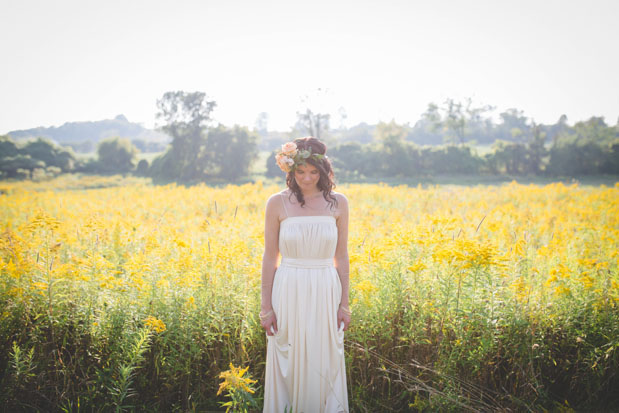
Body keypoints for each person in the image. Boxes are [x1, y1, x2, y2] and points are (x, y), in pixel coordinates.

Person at [260, 136, 351, 412]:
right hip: (288, 286)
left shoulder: (338, 202)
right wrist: (266, 307)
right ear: (291, 171)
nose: (307, 178)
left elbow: (342, 256)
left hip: (326, 285)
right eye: (300, 172)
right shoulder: (277, 203)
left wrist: (344, 303)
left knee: (325, 357)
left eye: (313, 172)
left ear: (324, 172)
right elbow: (270, 256)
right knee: (288, 353)